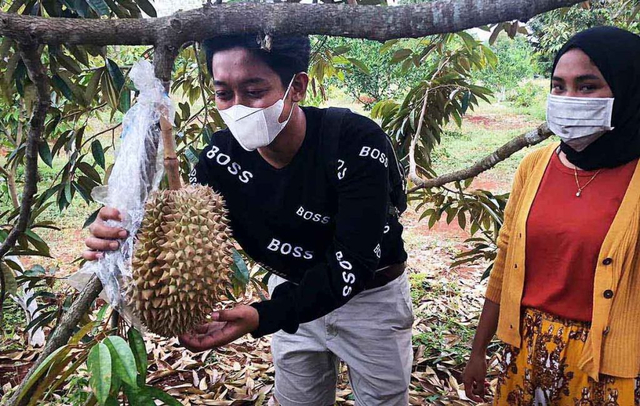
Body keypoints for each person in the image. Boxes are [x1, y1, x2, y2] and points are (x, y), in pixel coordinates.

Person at [83, 34, 414, 405]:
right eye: (224, 93)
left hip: (371, 300)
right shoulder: (220, 160)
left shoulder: (355, 143)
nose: (238, 106)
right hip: (292, 291)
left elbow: (354, 261)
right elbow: (180, 229)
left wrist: (263, 316)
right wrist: (118, 239)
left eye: (254, 90)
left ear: (297, 87)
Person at [462, 26, 640, 405]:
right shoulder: (535, 166)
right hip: (527, 352)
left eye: (587, 86)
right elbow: (506, 260)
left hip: (608, 366)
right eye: (558, 86)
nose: (568, 98)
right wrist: (478, 351)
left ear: (628, 90)